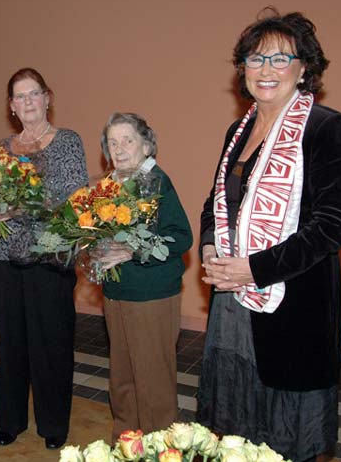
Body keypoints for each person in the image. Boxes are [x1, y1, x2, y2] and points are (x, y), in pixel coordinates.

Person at [197, 8, 341, 462]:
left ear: (304, 68)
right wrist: (211, 246)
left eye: (280, 59)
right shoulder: (238, 130)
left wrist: (253, 268)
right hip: (232, 305)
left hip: (291, 305)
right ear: (242, 68)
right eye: (255, 58)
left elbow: (331, 225)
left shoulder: (324, 127)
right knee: (234, 432)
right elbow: (216, 203)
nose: (266, 70)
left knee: (284, 441)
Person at [0, 68, 88, 450]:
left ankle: (53, 423)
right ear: (11, 106)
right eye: (20, 96)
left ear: (47, 98)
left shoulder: (67, 142)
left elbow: (71, 200)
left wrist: (18, 208)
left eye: (34, 94)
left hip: (49, 256)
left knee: (52, 343)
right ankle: (10, 421)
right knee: (10, 342)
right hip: (4, 257)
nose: (28, 102)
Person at [93, 113, 192, 440]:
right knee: (122, 379)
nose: (119, 149)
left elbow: (181, 237)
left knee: (153, 382)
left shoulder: (157, 181)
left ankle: (162, 449)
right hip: (116, 294)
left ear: (147, 145)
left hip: (151, 296)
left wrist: (132, 251)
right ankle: (127, 444)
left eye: (128, 140)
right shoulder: (109, 184)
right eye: (112, 142)